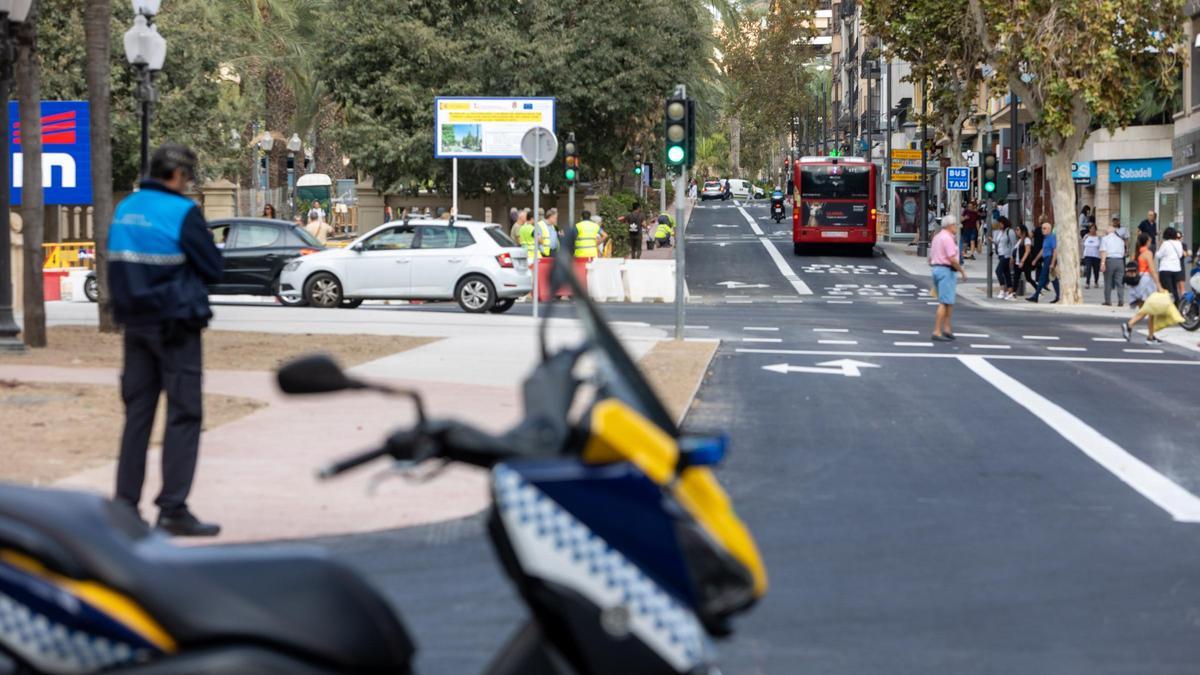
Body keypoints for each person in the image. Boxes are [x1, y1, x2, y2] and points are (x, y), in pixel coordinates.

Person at [107, 144, 223, 537]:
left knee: (137, 416)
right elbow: (212, 267)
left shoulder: (125, 209)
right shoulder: (182, 212)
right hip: (176, 327)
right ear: (176, 174)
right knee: (184, 415)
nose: (188, 184)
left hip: (135, 328)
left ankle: (125, 506)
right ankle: (172, 509)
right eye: (187, 177)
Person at [1123, 232, 1167, 343]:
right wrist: (1159, 285)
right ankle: (1129, 324)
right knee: (1147, 310)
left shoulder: (1136, 253)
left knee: (1149, 311)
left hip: (1136, 284)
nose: (1150, 242)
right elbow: (1152, 270)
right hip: (1146, 283)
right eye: (1149, 240)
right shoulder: (1148, 253)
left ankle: (1151, 336)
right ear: (1147, 242)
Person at [929, 215, 967, 341]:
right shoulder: (948, 238)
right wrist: (962, 271)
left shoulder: (937, 237)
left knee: (948, 301)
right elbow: (952, 258)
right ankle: (937, 331)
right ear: (950, 226)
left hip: (936, 269)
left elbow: (930, 258)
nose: (956, 227)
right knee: (944, 302)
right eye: (955, 225)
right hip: (946, 270)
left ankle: (947, 328)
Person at [1026, 221, 1060, 303]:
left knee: (1042, 277)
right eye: (1042, 228)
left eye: (1044, 228)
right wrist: (1036, 259)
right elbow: (1043, 250)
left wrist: (1052, 263)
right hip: (1046, 258)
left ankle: (1036, 296)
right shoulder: (1045, 238)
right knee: (1053, 278)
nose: (1042, 230)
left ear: (1049, 229)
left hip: (1049, 258)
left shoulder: (1051, 238)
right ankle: (1058, 296)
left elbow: (1055, 250)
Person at [1100, 220, 1127, 307]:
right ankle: (1121, 300)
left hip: (1109, 260)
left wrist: (1103, 263)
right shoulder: (1121, 240)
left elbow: (1104, 251)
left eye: (1107, 228)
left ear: (1110, 230)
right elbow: (1123, 253)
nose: (1105, 230)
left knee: (1108, 281)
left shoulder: (1105, 239)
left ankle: (1108, 300)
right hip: (1120, 261)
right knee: (1120, 282)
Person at [1156, 226, 1187, 303]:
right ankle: (1177, 305)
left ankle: (1170, 306)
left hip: (1165, 270)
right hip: (1176, 269)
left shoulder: (1165, 243)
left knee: (1168, 290)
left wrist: (1159, 248)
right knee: (1174, 289)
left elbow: (1158, 255)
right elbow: (1180, 255)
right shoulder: (1179, 243)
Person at [992, 216, 1016, 299]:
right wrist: (992, 240)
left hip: (1007, 255)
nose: (999, 225)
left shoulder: (1010, 231)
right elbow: (998, 242)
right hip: (1001, 254)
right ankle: (1010, 291)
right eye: (999, 223)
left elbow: (1013, 245)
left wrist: (1012, 256)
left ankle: (1002, 290)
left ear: (1004, 223)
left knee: (998, 271)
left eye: (1000, 223)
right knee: (1007, 273)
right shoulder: (1000, 232)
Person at [1013, 223, 1032, 297]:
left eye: (1018, 230)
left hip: (1024, 263)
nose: (1016, 231)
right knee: (1016, 277)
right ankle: (1013, 293)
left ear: (1022, 231)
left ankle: (1038, 290)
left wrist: (1022, 261)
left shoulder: (1027, 240)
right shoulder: (1020, 240)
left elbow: (1027, 251)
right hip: (1017, 262)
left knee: (1028, 278)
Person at [1081, 223, 1101, 289]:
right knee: (1088, 269)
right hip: (1088, 255)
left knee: (1096, 270)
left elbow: (1101, 247)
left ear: (1096, 229)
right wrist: (1082, 255)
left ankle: (1096, 282)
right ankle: (1087, 283)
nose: (1092, 230)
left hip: (1096, 256)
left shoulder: (1098, 238)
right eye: (1091, 229)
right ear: (1089, 229)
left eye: (1094, 229)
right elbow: (1083, 245)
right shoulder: (1086, 236)